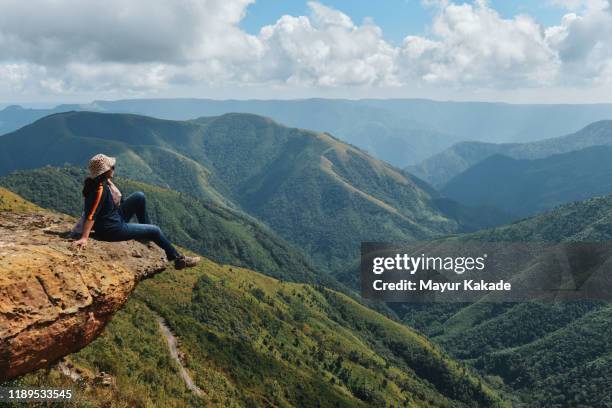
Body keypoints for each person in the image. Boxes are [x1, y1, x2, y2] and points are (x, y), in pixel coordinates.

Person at [72, 153, 200, 269]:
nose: (114, 169)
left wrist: (108, 180)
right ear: (105, 171)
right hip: (112, 229)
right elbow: (91, 214)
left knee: (139, 196)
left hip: (114, 217)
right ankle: (178, 259)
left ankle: (148, 234)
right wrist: (84, 238)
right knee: (155, 230)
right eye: (112, 167)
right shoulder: (99, 189)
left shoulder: (99, 182)